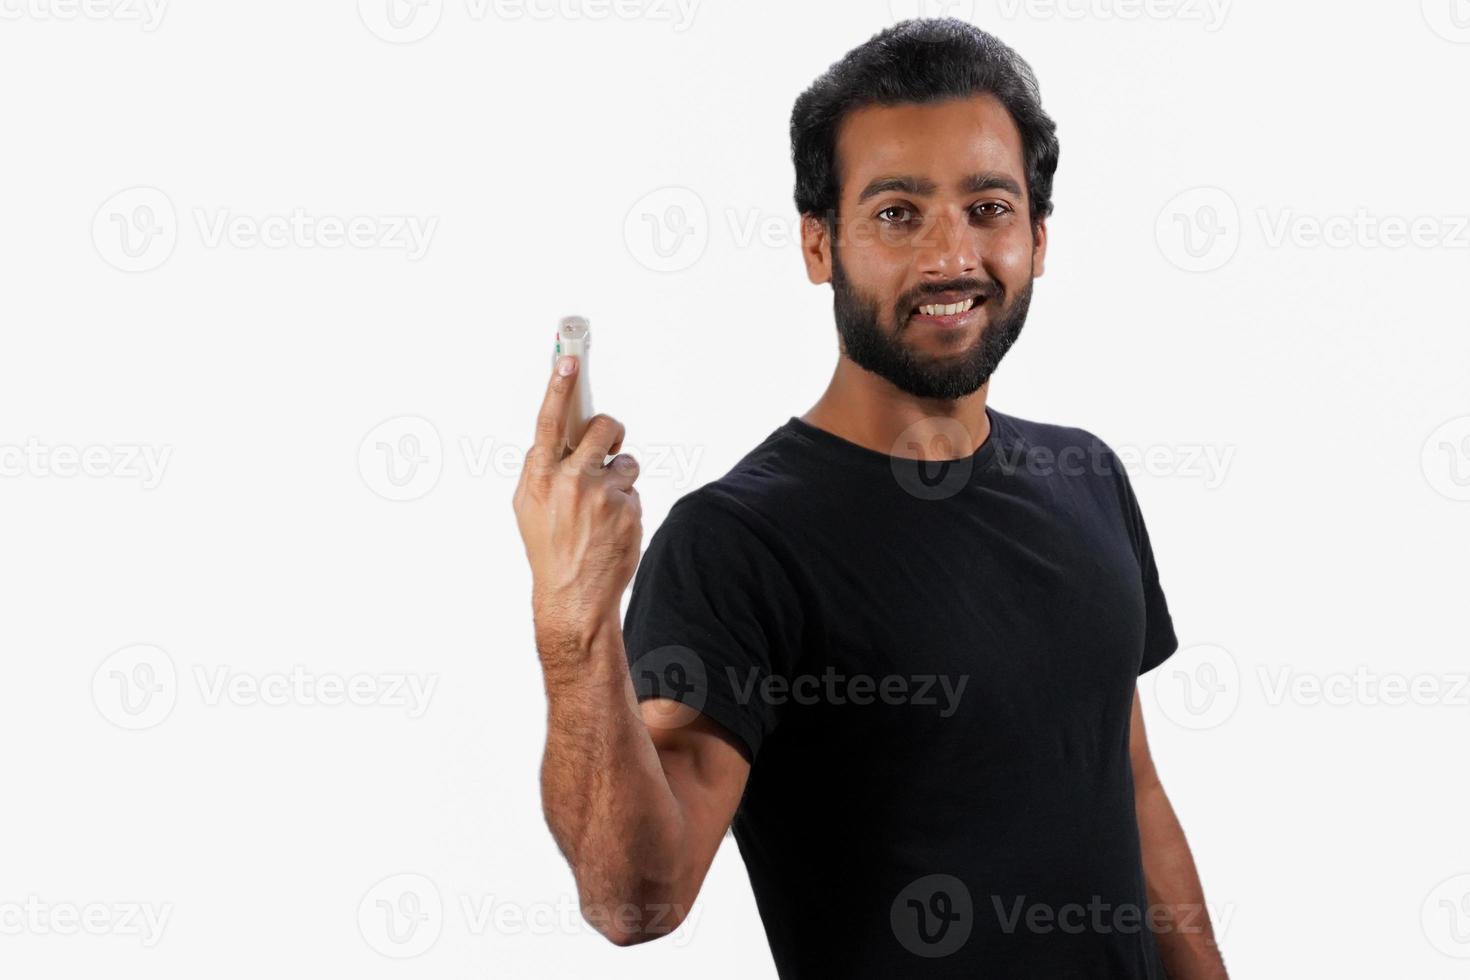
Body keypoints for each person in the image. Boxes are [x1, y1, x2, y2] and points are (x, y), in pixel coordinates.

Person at [513, 17, 1228, 978]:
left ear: (1039, 237)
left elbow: (1134, 793)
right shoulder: (740, 541)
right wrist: (572, 631)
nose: (950, 258)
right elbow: (634, 897)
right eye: (898, 212)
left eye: (988, 208)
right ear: (819, 244)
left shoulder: (1087, 477)